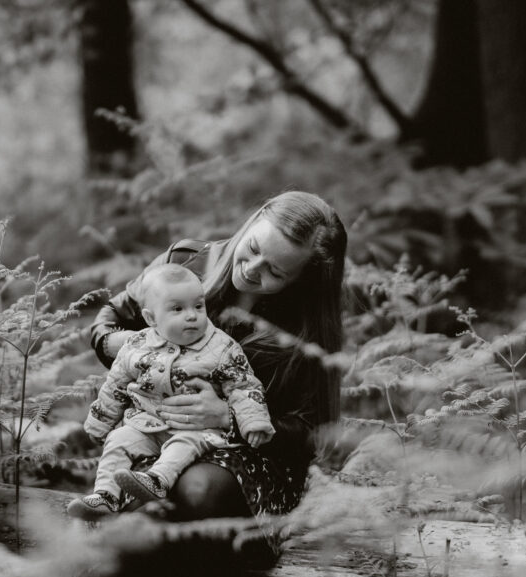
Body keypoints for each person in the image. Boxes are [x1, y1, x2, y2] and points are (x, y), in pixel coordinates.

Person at [89, 190, 347, 524]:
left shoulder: (306, 328)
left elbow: (310, 433)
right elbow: (108, 322)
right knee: (143, 497)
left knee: (196, 491)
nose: (252, 270)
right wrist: (135, 346)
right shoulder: (185, 262)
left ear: (301, 281)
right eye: (253, 248)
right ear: (253, 222)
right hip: (156, 430)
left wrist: (229, 417)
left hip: (252, 463)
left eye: (276, 272)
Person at [68, 264, 275, 519]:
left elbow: (243, 385)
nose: (192, 316)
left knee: (183, 444)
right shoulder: (136, 345)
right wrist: (99, 423)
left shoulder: (222, 348)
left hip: (196, 430)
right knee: (118, 440)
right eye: (178, 309)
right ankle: (106, 496)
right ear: (151, 318)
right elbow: (116, 385)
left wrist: (253, 421)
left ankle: (157, 481)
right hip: (147, 424)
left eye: (198, 306)